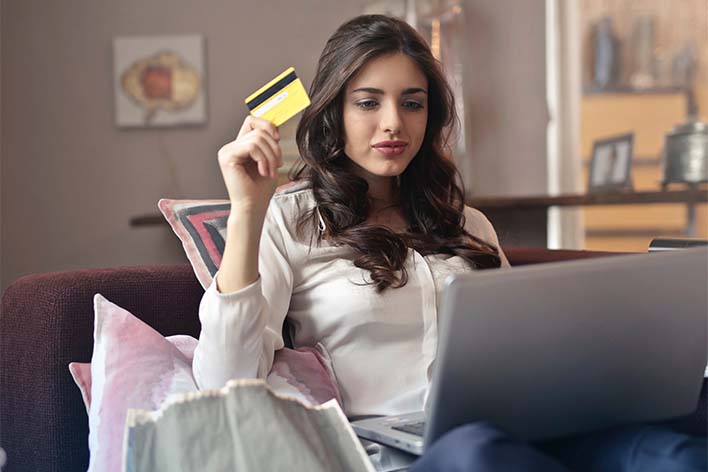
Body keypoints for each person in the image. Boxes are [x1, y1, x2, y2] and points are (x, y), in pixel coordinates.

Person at [192, 14, 707, 471]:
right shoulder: (290, 222)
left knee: (670, 451)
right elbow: (224, 383)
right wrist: (247, 210)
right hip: (401, 455)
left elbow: (524, 346)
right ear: (334, 114)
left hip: (517, 425)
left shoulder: (468, 224)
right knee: (478, 455)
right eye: (369, 102)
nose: (393, 122)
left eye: (411, 103)